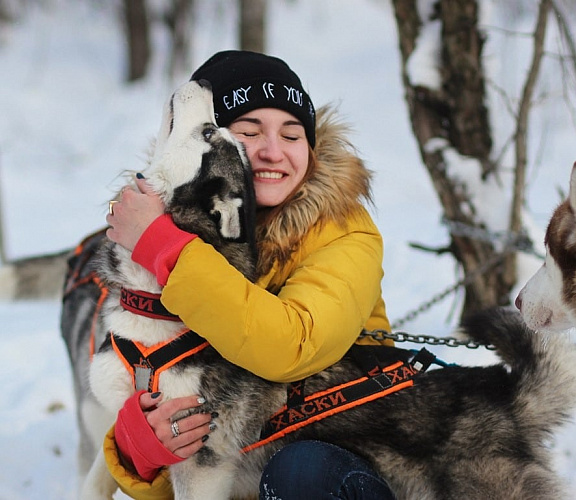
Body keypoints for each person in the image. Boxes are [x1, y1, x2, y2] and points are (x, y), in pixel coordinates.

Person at [103, 50, 396, 500]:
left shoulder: (342, 232)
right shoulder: (154, 232)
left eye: (292, 134)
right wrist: (140, 446)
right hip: (244, 468)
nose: (273, 151)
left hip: (348, 451)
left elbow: (292, 345)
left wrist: (165, 249)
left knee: (299, 471)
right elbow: (191, 450)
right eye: (248, 131)